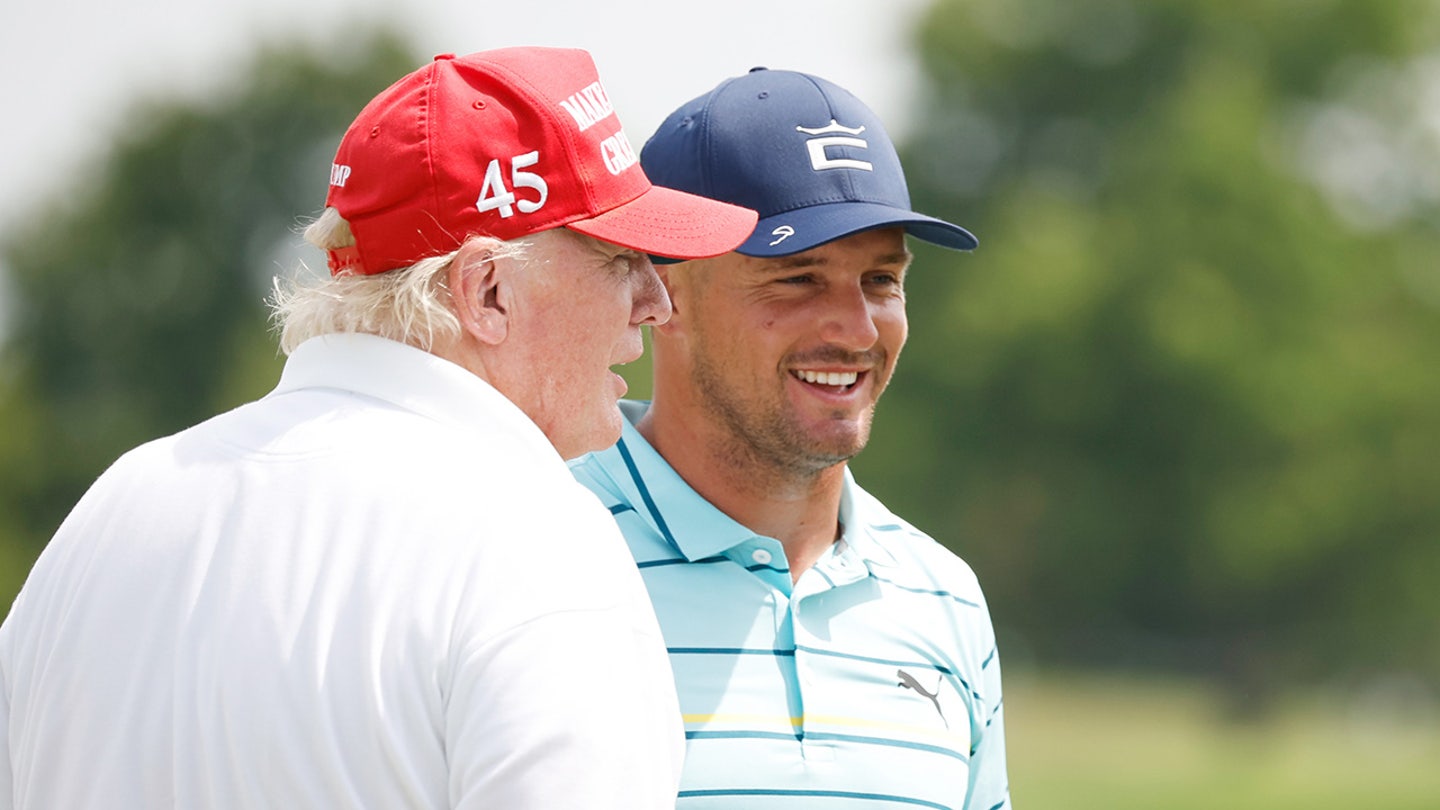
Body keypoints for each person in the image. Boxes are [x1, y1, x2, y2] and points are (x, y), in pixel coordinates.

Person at [0, 47, 756, 809]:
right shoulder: (538, 541)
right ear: (488, 292)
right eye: (622, 261)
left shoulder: (115, 507)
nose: (657, 303)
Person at [569, 67, 1011, 810]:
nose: (858, 328)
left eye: (881, 280)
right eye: (798, 278)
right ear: (660, 294)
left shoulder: (945, 597)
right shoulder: (537, 547)